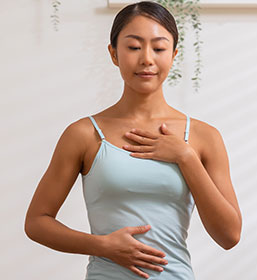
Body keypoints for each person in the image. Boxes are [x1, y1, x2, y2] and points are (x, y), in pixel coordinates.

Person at [24, 1, 242, 279]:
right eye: (134, 47)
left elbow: (229, 235)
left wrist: (185, 157)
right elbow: (36, 222)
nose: (147, 59)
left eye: (159, 48)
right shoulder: (84, 134)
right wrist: (103, 246)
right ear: (113, 54)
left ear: (174, 55)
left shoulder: (202, 137)